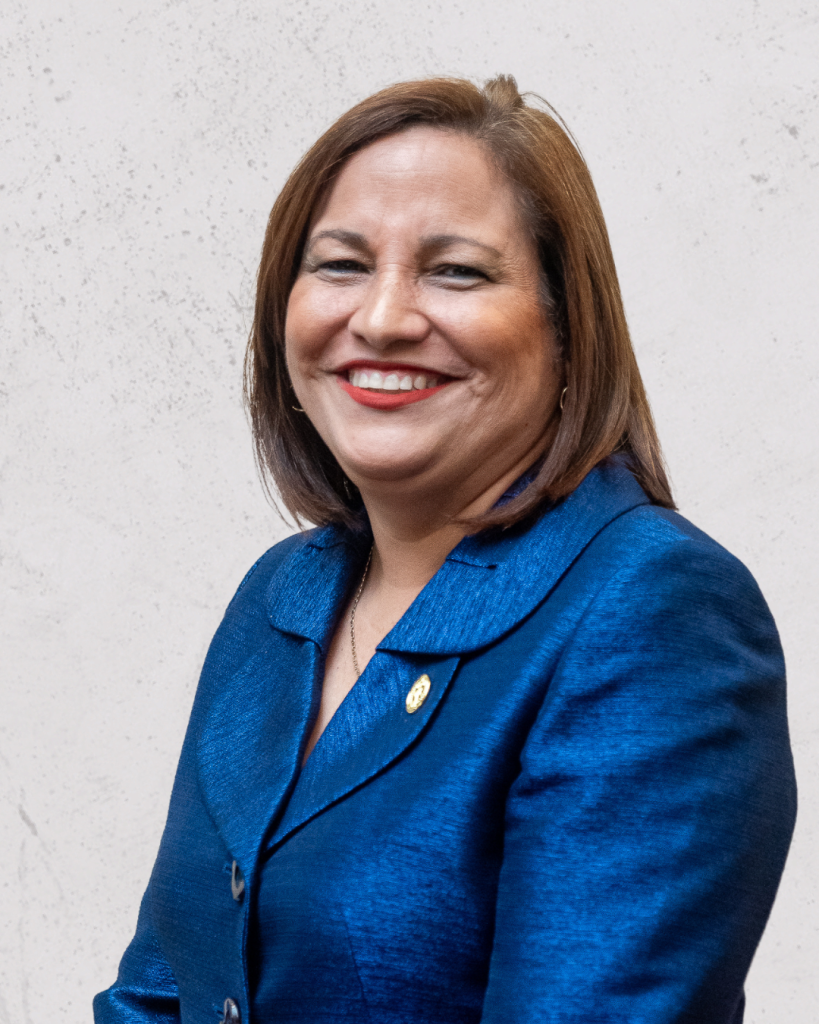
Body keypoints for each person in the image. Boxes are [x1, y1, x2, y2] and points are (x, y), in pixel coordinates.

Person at [94, 75, 796, 1024]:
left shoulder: (653, 609)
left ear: (565, 327)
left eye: (456, 271)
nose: (382, 318)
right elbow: (160, 992)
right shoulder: (282, 597)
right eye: (340, 265)